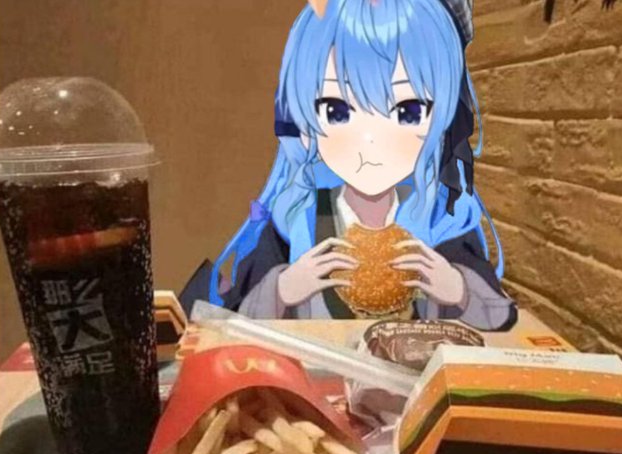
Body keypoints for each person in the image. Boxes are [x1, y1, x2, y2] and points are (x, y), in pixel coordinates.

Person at [210, 0, 517, 330]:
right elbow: (234, 321)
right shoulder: (295, 217)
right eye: (336, 111)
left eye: (408, 112)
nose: (370, 140)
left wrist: (459, 289)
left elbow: (500, 318)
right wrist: (282, 290)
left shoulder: (444, 220)